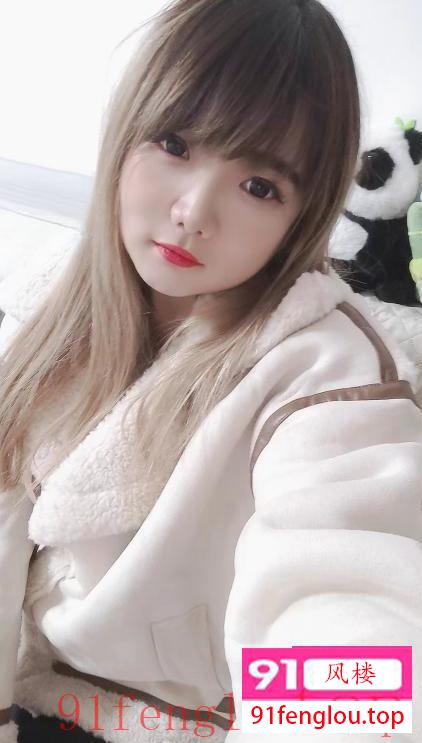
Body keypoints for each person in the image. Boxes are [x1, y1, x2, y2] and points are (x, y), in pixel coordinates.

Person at [0, 0, 421, 741]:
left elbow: (351, 607)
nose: (194, 211)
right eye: (174, 143)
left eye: (260, 186)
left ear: (302, 217)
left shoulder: (329, 374)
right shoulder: (51, 300)